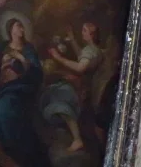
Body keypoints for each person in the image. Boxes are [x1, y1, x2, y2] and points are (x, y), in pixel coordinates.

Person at [0, 18, 47, 166]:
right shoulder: (3, 46)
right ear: (11, 30)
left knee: (4, 109)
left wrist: (21, 60)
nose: (22, 29)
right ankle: (0, 149)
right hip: (1, 88)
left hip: (20, 89)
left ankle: (12, 150)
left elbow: (37, 73)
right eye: (18, 26)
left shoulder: (28, 49)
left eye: (22, 26)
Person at [43, 22, 104, 153]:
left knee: (56, 94)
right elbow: (81, 56)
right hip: (85, 86)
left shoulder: (91, 50)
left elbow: (80, 67)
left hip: (84, 90)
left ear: (91, 35)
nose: (82, 33)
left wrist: (58, 57)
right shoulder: (94, 49)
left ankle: (77, 139)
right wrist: (72, 39)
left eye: (84, 31)